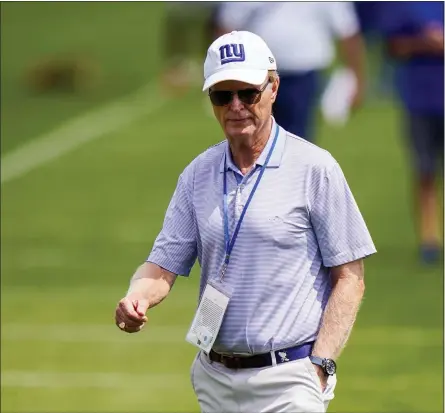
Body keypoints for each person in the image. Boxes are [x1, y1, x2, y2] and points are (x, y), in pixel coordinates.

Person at [115, 31, 376, 412]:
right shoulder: (197, 174)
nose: (236, 106)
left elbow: (350, 276)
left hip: (291, 380)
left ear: (273, 88)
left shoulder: (314, 168)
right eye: (223, 95)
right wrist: (136, 297)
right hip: (215, 379)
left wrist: (321, 364)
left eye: (248, 93)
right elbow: (162, 265)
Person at [214, 2, 366, 142]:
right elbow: (227, 25)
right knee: (253, 134)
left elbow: (347, 30)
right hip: (257, 72)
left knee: (296, 137)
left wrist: (357, 78)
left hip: (303, 72)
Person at [377, 1, 444, 264]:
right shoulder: (405, 5)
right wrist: (427, 43)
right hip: (421, 99)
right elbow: (392, 46)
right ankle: (430, 239)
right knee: (425, 169)